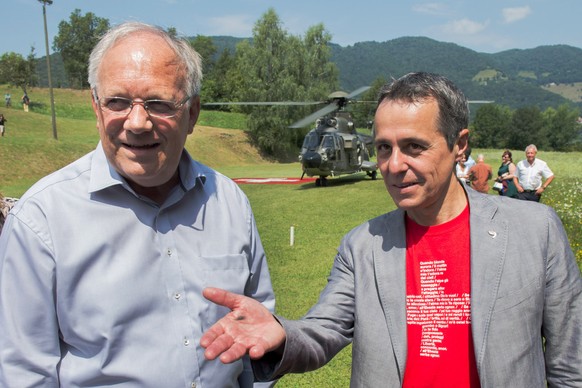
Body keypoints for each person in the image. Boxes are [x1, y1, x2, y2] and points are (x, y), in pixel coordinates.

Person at [200, 72, 582, 387]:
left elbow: (569, 368)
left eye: (414, 146)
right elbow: (324, 330)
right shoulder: (361, 245)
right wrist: (282, 334)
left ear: (459, 145)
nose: (394, 165)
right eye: (384, 148)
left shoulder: (536, 231)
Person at [0, 22, 275, 387]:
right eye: (118, 102)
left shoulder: (228, 202)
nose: (138, 122)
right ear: (96, 108)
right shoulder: (41, 219)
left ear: (192, 114)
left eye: (159, 103)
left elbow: (257, 332)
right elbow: (25, 373)